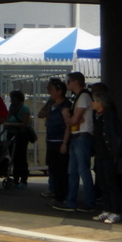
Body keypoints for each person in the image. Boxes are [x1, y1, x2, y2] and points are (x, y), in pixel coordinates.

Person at [53, 72, 96, 213]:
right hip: (76, 136)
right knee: (73, 171)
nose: (67, 84)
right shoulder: (78, 97)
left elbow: (73, 121)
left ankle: (89, 202)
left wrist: (67, 115)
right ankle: (71, 201)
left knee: (82, 170)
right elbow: (76, 121)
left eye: (69, 81)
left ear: (76, 82)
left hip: (82, 136)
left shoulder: (83, 97)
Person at [91, 90, 122, 224]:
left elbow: (116, 137)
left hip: (108, 154)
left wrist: (115, 153)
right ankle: (106, 209)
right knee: (102, 183)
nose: (92, 103)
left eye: (94, 101)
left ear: (100, 103)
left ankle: (116, 212)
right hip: (100, 154)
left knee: (111, 183)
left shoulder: (110, 116)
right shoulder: (97, 116)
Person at [37, 78, 71, 203]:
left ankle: (62, 195)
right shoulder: (52, 104)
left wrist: (65, 142)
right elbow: (40, 114)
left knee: (61, 170)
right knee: (53, 168)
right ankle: (56, 192)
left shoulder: (65, 106)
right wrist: (49, 103)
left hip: (60, 140)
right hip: (50, 139)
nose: (49, 91)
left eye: (51, 89)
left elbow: (68, 125)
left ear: (59, 91)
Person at [3, 90, 32, 189]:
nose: (12, 100)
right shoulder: (12, 107)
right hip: (11, 134)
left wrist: (11, 124)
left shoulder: (24, 108)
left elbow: (25, 123)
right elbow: (8, 117)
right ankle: (15, 179)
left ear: (18, 98)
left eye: (13, 98)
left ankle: (23, 180)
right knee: (13, 157)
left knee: (21, 158)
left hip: (21, 135)